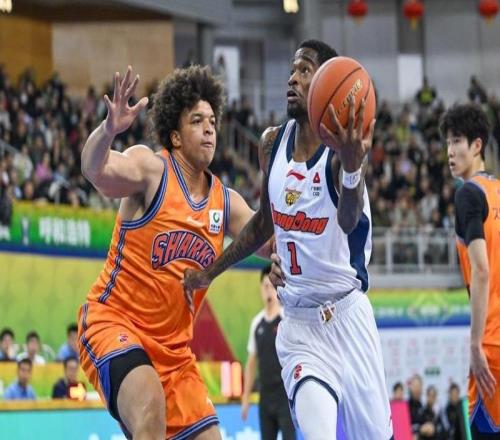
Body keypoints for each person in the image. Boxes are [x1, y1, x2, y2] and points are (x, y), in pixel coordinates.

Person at [184, 39, 393, 439]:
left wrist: (353, 169)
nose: (292, 78)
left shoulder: (342, 155)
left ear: (327, 83)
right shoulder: (271, 143)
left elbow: (349, 220)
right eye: (293, 69)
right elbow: (265, 223)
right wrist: (211, 271)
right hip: (298, 324)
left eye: (305, 70)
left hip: (347, 316)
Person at [78, 64, 265, 440]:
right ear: (175, 136)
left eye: (212, 120)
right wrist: (108, 130)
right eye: (197, 120)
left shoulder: (226, 202)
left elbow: (273, 238)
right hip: (114, 323)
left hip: (175, 353)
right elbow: (95, 170)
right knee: (150, 407)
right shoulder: (151, 170)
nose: (209, 128)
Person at [440, 103, 500, 439]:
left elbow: (481, 270)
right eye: (447, 142)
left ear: (477, 145)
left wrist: (475, 344)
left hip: (492, 344)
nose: (450, 151)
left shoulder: (468, 195)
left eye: (457, 141)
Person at [241, 265, 295, 440]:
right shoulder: (256, 324)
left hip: (285, 396)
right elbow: (251, 363)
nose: (268, 291)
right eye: (265, 286)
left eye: (271, 286)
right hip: (265, 398)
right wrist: (245, 399)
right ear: (260, 289)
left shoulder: (287, 319)